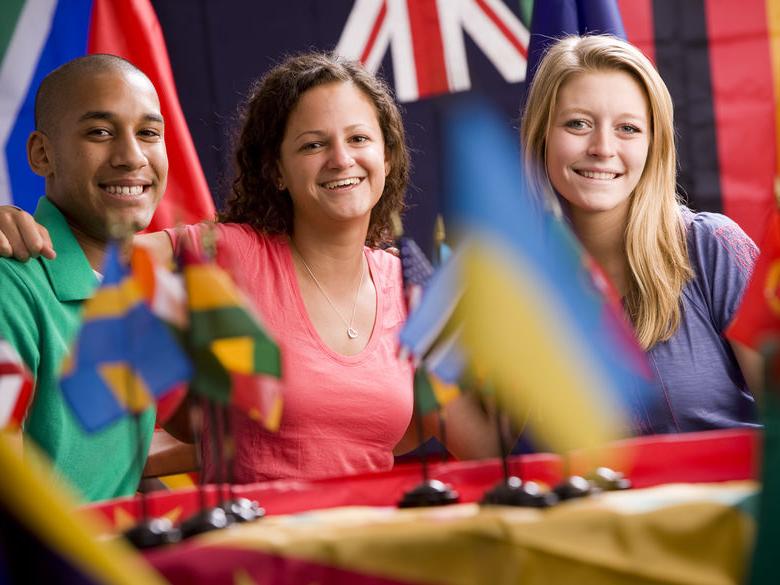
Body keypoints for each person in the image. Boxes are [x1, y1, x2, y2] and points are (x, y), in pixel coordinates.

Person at [0, 52, 498, 484]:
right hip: (256, 556)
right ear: (276, 170)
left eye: (359, 139)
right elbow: (93, 243)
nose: (341, 159)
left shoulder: (407, 285)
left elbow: (490, 447)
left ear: (388, 156)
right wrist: (9, 220)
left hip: (368, 550)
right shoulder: (226, 253)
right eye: (312, 144)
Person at [521, 34, 762, 432]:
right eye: (578, 123)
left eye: (628, 128)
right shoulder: (520, 279)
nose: (602, 147)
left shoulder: (712, 246)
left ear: (655, 145)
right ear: (542, 136)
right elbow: (488, 452)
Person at [0, 54, 166, 501]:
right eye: (100, 132)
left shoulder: (133, 287)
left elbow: (117, 470)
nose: (132, 157)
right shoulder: (7, 287)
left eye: (149, 133)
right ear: (41, 154)